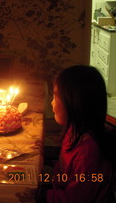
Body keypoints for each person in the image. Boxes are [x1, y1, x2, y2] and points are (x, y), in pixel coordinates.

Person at [37, 65, 116, 202]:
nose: (52, 102)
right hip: (60, 188)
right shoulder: (75, 130)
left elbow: (76, 199)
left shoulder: (87, 153)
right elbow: (63, 168)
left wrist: (43, 196)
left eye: (56, 97)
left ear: (74, 104)